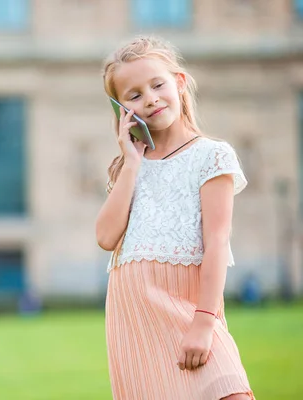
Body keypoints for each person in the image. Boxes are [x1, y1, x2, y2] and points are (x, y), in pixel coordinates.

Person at [95, 36, 254, 400]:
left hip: (191, 309)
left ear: (179, 83)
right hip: (136, 321)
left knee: (230, 393)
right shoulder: (128, 168)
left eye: (157, 84)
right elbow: (105, 237)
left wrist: (204, 322)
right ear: (122, 110)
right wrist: (132, 163)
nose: (149, 98)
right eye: (134, 95)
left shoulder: (211, 156)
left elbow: (216, 242)